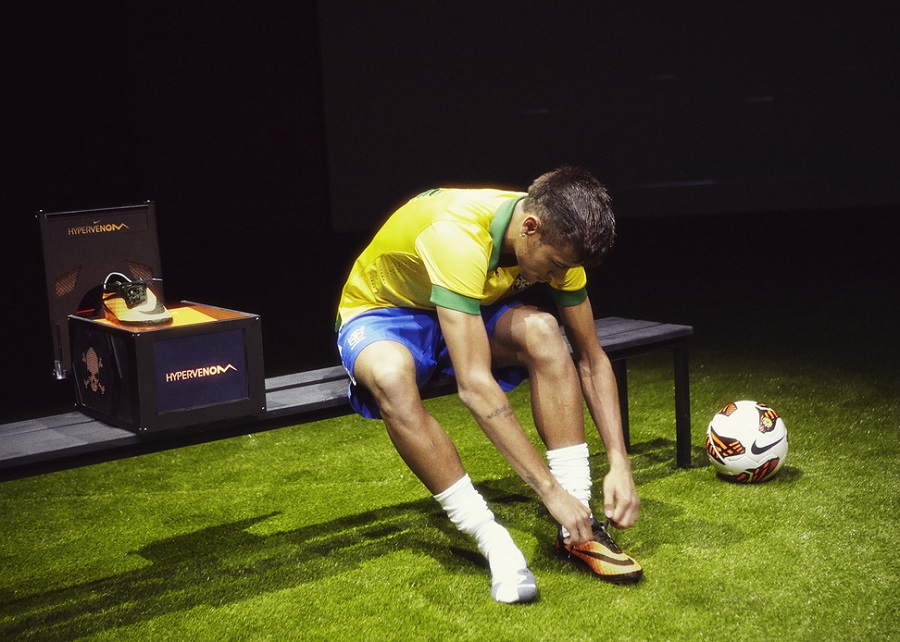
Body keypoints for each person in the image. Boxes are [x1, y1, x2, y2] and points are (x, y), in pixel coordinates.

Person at [335, 166, 641, 604]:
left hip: (465, 306)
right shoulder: (457, 235)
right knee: (390, 376)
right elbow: (475, 387)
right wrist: (547, 491)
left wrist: (619, 461)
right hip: (385, 313)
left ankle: (578, 527)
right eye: (555, 266)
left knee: (543, 331)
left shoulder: (560, 240)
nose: (558, 278)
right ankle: (492, 539)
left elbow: (592, 359)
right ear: (529, 227)